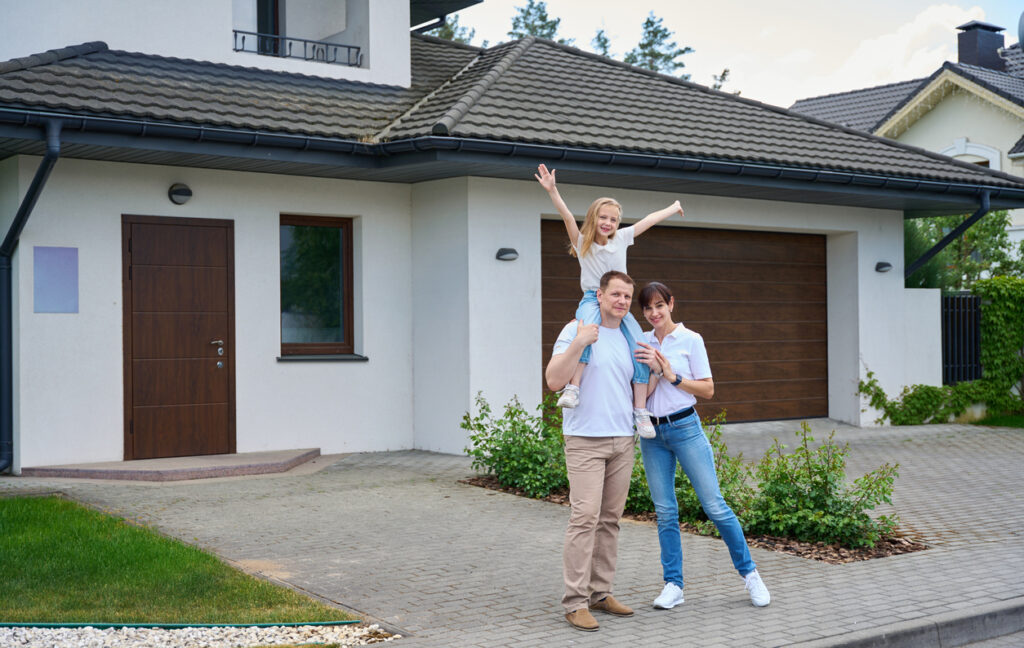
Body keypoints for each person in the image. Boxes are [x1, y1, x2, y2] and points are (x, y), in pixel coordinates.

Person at [632, 281, 771, 609]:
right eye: (648, 308)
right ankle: (673, 585)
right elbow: (640, 395)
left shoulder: (691, 340)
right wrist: (653, 373)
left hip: (685, 427)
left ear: (671, 304)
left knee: (714, 505)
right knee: (665, 512)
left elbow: (707, 390)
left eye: (659, 306)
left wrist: (672, 375)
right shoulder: (642, 343)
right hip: (653, 435)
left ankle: (750, 575)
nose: (654, 313)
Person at [535, 163, 683, 439]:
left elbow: (648, 220)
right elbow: (567, 217)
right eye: (603, 217)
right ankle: (574, 387)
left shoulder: (623, 238)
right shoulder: (583, 243)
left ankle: (639, 409)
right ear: (594, 218)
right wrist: (553, 191)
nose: (608, 223)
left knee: (639, 343)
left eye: (613, 219)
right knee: (588, 332)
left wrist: (673, 207)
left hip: (618, 301)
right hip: (593, 298)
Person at [546, 270, 640, 632]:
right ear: (599, 296)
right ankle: (575, 602)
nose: (621, 301)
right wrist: (578, 342)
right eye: (615, 294)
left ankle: (600, 593)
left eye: (627, 297)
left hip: (622, 439)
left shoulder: (629, 337)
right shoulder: (577, 329)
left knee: (610, 520)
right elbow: (554, 380)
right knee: (584, 518)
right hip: (585, 440)